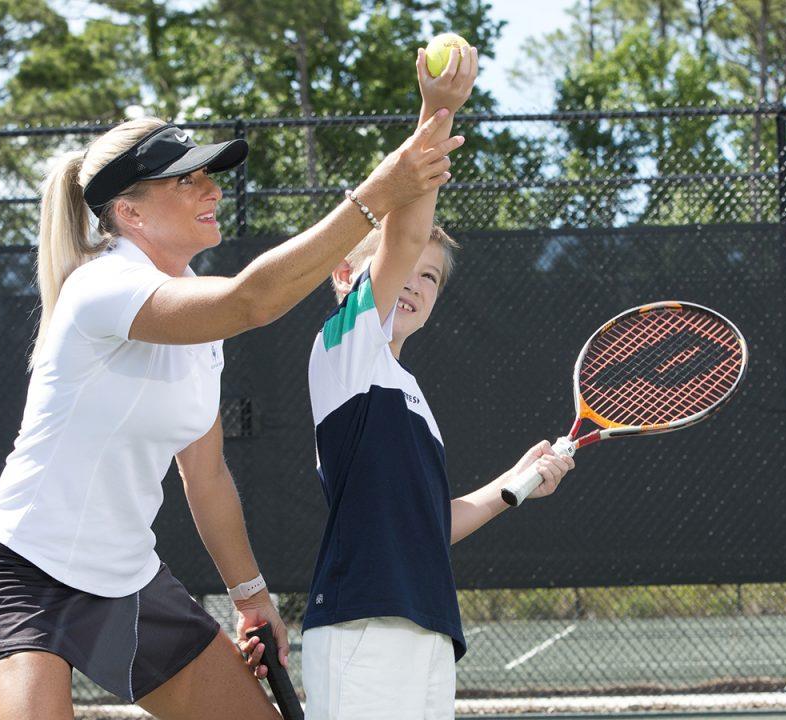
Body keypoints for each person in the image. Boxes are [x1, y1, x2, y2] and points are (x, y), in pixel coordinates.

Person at [0, 101, 463, 720]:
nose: (212, 189)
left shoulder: (198, 321)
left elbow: (207, 474)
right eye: (185, 180)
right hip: (20, 571)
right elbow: (251, 301)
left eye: (208, 176)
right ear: (130, 212)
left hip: (128, 583)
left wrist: (250, 596)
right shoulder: (100, 286)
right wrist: (376, 196)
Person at [263, 45, 575, 719]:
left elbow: (429, 525)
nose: (415, 279)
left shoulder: (408, 395)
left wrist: (513, 485)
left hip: (427, 629)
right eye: (401, 266)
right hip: (363, 627)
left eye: (431, 277)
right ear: (344, 277)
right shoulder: (343, 348)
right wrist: (437, 111)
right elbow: (404, 236)